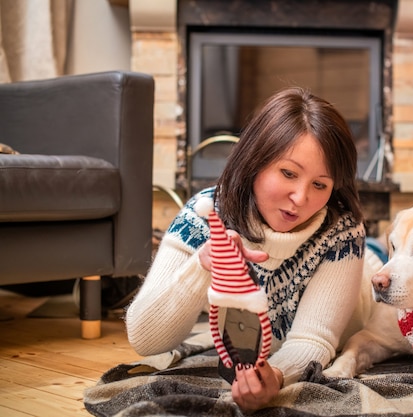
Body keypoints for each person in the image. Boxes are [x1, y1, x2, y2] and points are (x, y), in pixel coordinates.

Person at [125, 87, 380, 411]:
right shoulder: (204, 214)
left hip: (365, 284)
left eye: (320, 185)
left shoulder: (342, 230)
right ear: (255, 160)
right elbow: (144, 339)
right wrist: (202, 266)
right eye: (288, 173)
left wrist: (275, 376)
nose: (301, 198)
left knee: (383, 263)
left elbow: (313, 339)